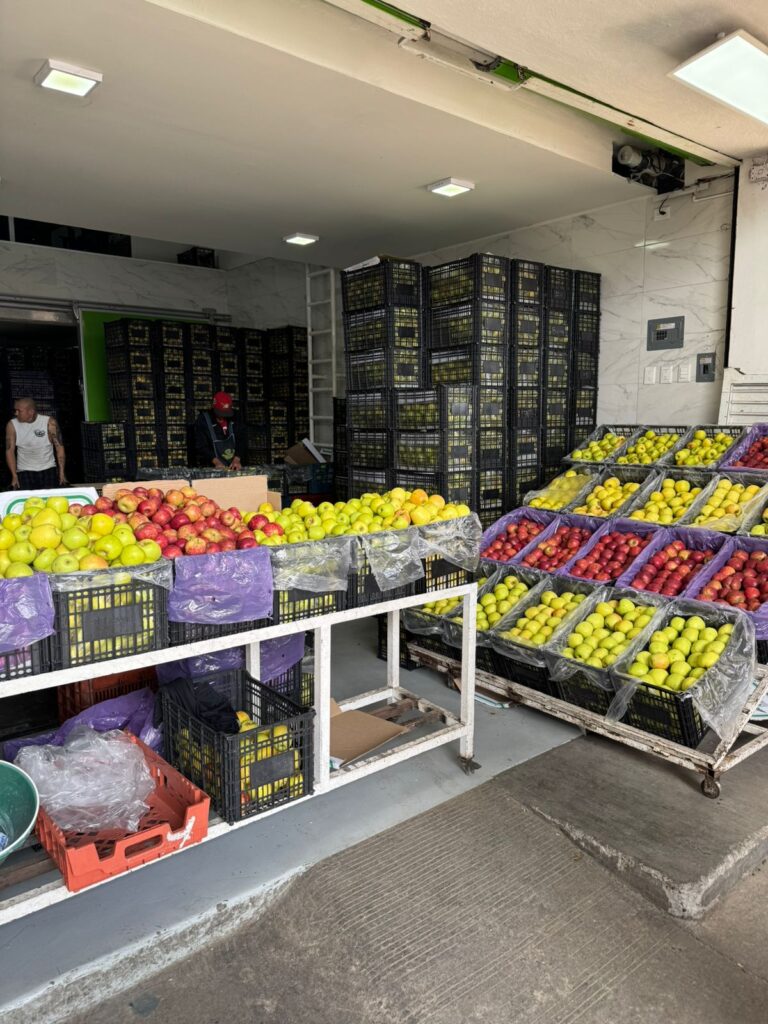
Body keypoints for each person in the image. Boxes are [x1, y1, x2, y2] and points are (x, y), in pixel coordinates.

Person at [5, 397, 67, 491]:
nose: (16, 413)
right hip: (24, 470)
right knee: (27, 499)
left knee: (49, 498)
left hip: (48, 468)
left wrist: (62, 472)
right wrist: (14, 475)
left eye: (19, 411)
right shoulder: (12, 425)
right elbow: (9, 451)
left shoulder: (49, 422)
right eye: (15, 410)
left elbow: (59, 448)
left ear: (31, 412)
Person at [194, 391, 246, 471]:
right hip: (213, 467)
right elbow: (201, 446)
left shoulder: (236, 417)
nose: (223, 416)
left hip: (235, 467)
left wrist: (237, 459)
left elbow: (242, 440)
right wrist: (216, 462)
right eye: (221, 413)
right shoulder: (203, 420)